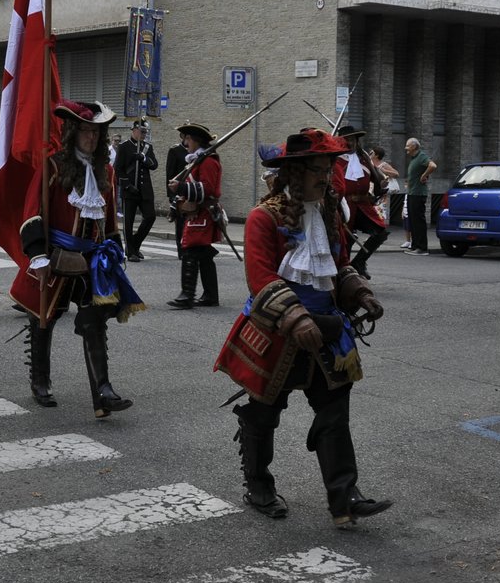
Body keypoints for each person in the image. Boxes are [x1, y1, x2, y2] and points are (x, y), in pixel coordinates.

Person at [214, 128, 389, 527]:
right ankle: (258, 485)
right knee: (263, 413)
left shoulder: (328, 213)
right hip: (276, 329)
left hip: (327, 326)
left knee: (334, 411)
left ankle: (344, 498)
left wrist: (358, 291)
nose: (326, 178)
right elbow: (260, 278)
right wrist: (294, 318)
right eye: (318, 170)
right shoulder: (263, 217)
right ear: (294, 172)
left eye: (329, 169)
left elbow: (338, 265)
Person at [12, 100, 144, 418]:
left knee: (94, 321)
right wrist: (38, 255)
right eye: (85, 130)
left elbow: (109, 217)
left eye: (97, 132)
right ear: (73, 132)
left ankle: (103, 393)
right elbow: (32, 211)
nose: (92, 137)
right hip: (55, 254)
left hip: (92, 259)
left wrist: (114, 249)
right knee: (44, 317)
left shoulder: (106, 171)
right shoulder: (54, 166)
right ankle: (40, 380)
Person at [167, 122, 223, 308]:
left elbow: (208, 189)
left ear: (196, 140)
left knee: (190, 250)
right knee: (204, 254)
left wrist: (181, 187)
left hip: (203, 213)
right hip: (197, 212)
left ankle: (187, 295)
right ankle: (210, 295)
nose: (185, 142)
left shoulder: (208, 161)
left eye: (188, 138)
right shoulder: (198, 160)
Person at [332, 125, 390, 279]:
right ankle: (342, 272)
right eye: (346, 140)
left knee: (381, 232)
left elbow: (375, 179)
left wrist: (380, 184)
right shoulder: (335, 159)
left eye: (352, 140)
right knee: (345, 239)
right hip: (344, 205)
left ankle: (358, 263)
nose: (350, 143)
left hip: (364, 205)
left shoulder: (363, 158)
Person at [114, 118, 159, 261]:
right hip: (130, 190)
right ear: (134, 130)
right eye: (141, 131)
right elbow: (118, 170)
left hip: (145, 190)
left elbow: (154, 165)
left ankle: (135, 243)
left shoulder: (147, 148)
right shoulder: (124, 147)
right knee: (128, 222)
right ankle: (131, 251)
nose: (144, 135)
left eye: (145, 132)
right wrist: (127, 185)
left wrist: (144, 158)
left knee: (150, 217)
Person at [403, 138, 439, 254]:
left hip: (418, 193)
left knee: (418, 221)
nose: (406, 148)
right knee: (413, 221)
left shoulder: (421, 156)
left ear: (414, 146)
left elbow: (433, 165)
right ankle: (415, 246)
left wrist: (424, 175)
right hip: (412, 192)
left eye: (408, 146)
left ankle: (422, 248)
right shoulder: (414, 158)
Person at [369, 144, 402, 234]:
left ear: (376, 155)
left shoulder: (383, 164)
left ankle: (379, 232)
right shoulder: (369, 163)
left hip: (381, 193)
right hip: (370, 192)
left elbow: (396, 174)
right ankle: (372, 233)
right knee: (371, 212)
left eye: (372, 152)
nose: (370, 153)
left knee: (380, 212)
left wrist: (384, 171)